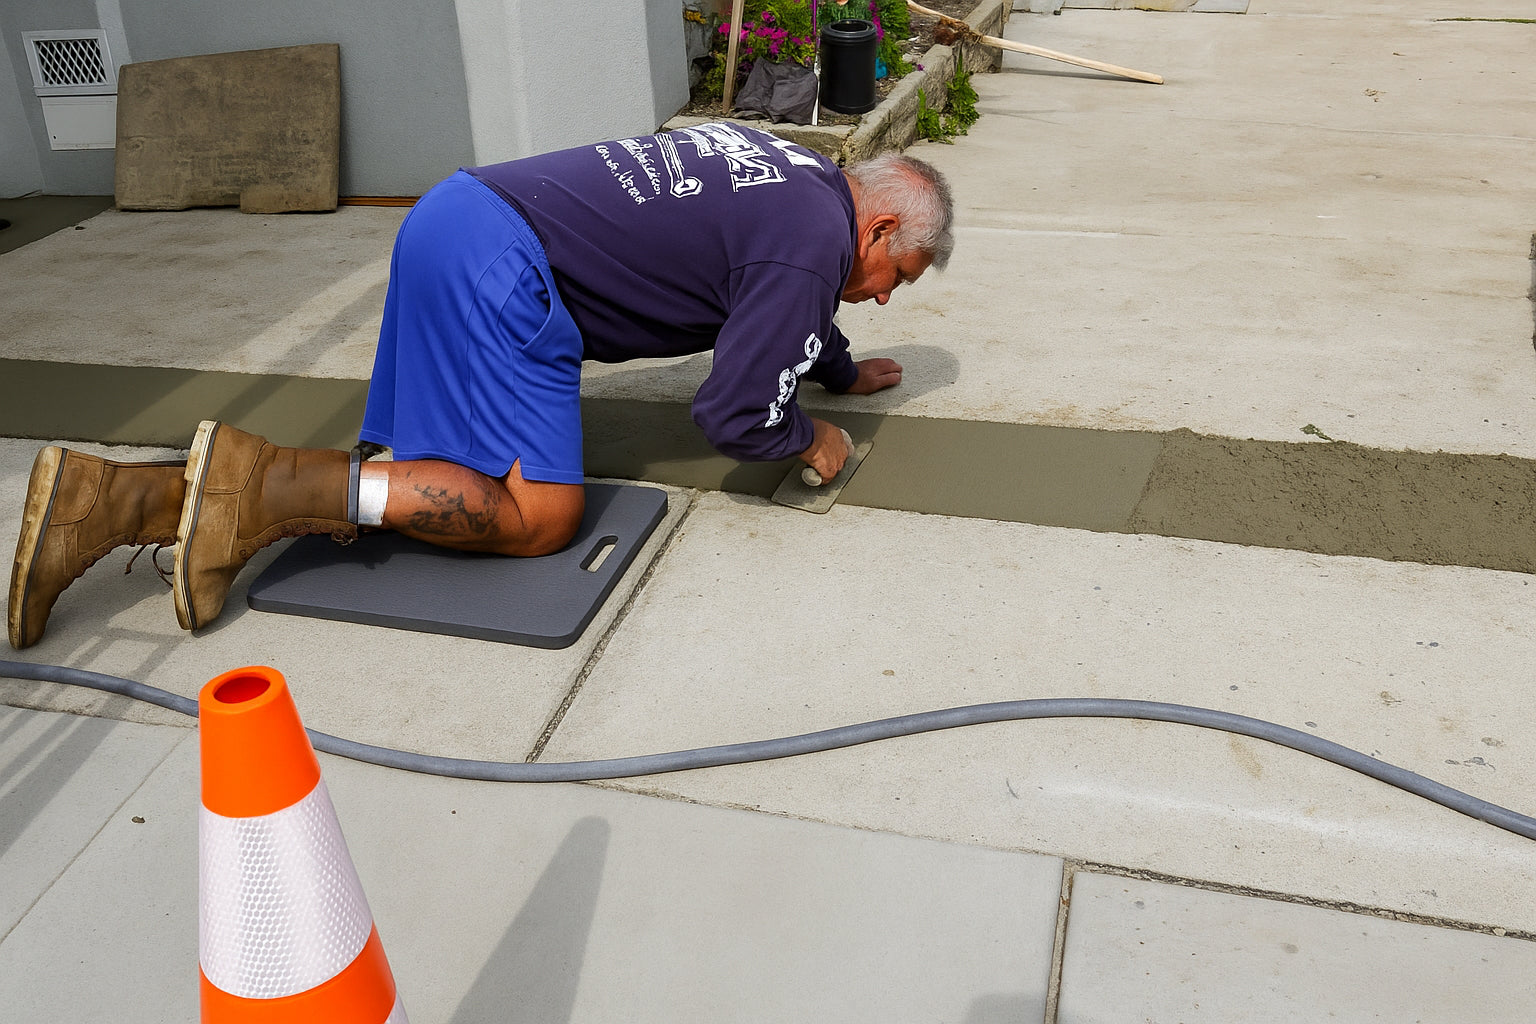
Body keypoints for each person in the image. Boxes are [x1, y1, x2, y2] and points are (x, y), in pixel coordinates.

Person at [8, 122, 954, 649]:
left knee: (421, 480)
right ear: (875, 231)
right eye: (894, 279)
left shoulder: (799, 174)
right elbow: (735, 412)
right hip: (509, 271)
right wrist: (810, 437)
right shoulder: (811, 247)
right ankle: (256, 484)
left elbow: (776, 291)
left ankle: (112, 500)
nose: (880, 297)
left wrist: (833, 366)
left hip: (458, 216)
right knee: (539, 516)